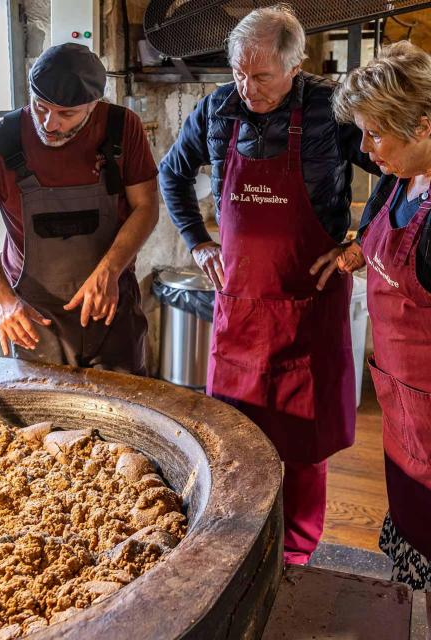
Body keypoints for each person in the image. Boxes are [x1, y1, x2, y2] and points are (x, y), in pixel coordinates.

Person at [159, 3, 379, 565]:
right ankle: (236, 545)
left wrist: (361, 244)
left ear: (294, 65)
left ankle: (297, 555)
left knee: (305, 448)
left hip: (308, 307)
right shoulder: (217, 109)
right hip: (242, 311)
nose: (246, 87)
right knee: (234, 439)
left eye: (260, 77)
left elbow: (400, 169)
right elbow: (172, 173)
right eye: (238, 72)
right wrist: (198, 240)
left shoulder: (333, 111)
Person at [0, 43, 158, 374]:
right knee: (43, 422)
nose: (50, 124)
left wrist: (109, 271)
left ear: (94, 104)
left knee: (123, 418)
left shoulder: (123, 129)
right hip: (34, 319)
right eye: (41, 108)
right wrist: (2, 302)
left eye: (67, 114)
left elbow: (146, 206)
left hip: (110, 307)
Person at [333, 41, 431, 629]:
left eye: (374, 135)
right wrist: (355, 253)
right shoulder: (404, 177)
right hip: (405, 411)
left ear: (423, 124)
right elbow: (383, 235)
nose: (366, 150)